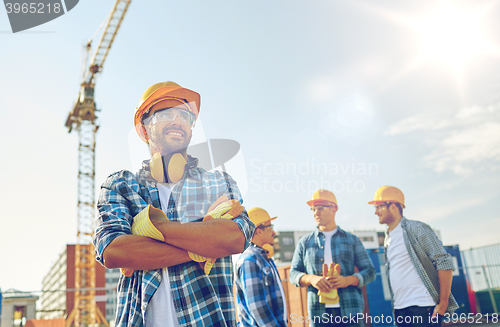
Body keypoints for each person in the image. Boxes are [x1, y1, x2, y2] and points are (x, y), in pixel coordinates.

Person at [93, 81, 255, 327]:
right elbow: (113, 251)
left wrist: (150, 228)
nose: (178, 121)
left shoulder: (218, 182)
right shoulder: (120, 186)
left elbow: (234, 239)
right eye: (166, 113)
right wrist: (205, 240)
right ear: (144, 128)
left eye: (185, 116)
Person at [368, 185, 458, 327]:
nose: (376, 212)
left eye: (379, 206)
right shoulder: (388, 238)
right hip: (400, 309)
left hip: (423, 307)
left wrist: (443, 303)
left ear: (393, 206)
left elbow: (444, 260)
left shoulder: (415, 228)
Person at [290, 189, 376, 327]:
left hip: (350, 312)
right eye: (313, 209)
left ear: (334, 208)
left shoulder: (352, 240)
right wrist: (312, 279)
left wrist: (347, 280)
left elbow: (370, 272)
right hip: (319, 314)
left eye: (320, 208)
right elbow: (293, 274)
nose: (316, 213)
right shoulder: (304, 243)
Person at [234, 207, 287, 327]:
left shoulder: (264, 258)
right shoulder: (249, 260)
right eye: (270, 227)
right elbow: (256, 305)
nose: (274, 232)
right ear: (258, 231)